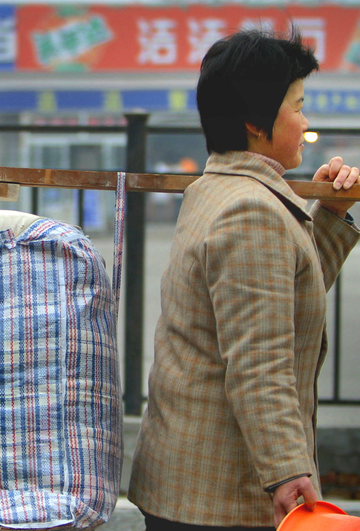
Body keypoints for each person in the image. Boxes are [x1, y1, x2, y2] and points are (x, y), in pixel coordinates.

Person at [128, 29, 360, 530]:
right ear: (256, 122)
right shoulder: (253, 211)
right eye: (297, 106)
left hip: (186, 485)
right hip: (220, 498)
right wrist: (288, 473)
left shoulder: (215, 188)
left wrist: (330, 213)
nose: (305, 122)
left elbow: (281, 297)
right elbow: (259, 362)